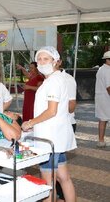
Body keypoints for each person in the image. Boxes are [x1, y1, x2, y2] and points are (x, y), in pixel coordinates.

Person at [21, 46, 76, 202]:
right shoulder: (54, 79)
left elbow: (52, 111)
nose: (42, 62)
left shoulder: (53, 81)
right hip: (56, 138)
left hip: (49, 140)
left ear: (55, 61)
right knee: (63, 178)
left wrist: (30, 123)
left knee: (47, 183)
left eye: (46, 59)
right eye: (39, 59)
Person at [55, 60, 77, 200]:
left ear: (58, 62)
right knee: (56, 171)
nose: (43, 63)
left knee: (56, 172)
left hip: (63, 126)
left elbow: (71, 105)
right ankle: (58, 193)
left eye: (48, 59)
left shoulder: (67, 79)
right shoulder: (49, 79)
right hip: (54, 128)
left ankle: (60, 194)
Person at [95, 50, 110, 148]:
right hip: (106, 98)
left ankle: (101, 140)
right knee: (104, 119)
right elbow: (109, 87)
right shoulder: (107, 70)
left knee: (102, 119)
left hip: (101, 98)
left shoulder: (101, 69)